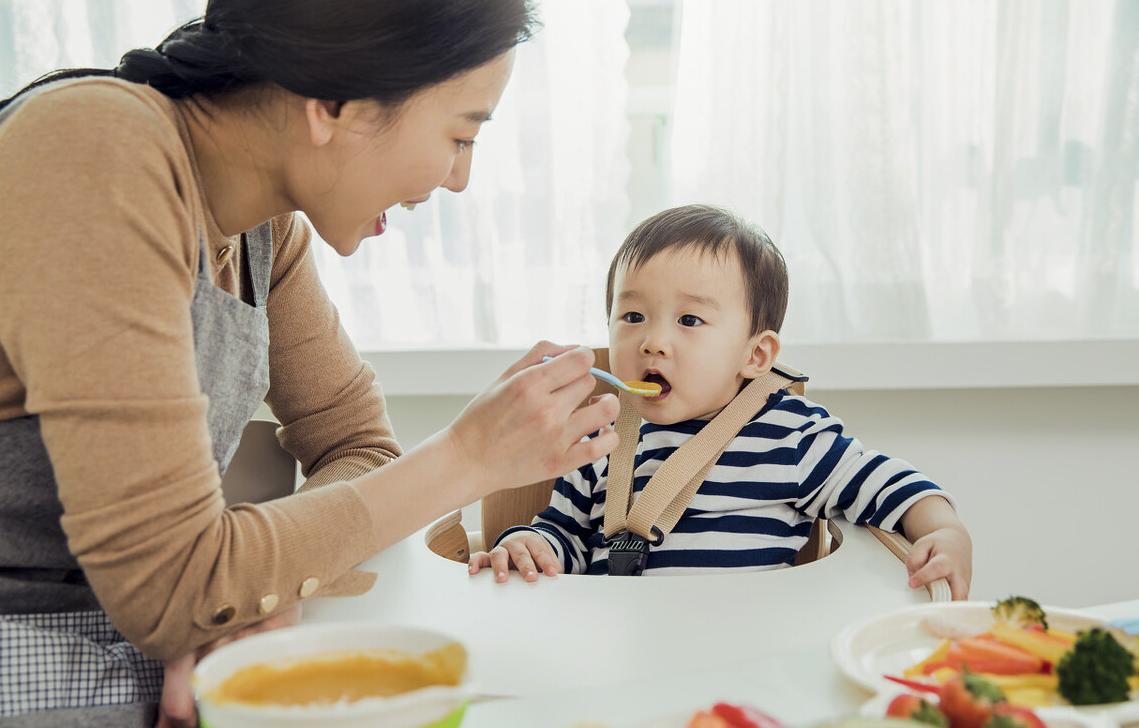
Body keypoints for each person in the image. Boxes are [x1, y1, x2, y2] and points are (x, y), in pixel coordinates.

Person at [0, 1, 621, 726]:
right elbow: (177, 587)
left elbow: (359, 446)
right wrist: (468, 457)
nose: (458, 178)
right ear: (333, 103)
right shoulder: (92, 148)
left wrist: (257, 579)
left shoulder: (262, 232)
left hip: (134, 637)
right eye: (460, 135)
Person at [469, 205, 972, 597]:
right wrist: (531, 546)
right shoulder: (598, 438)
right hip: (617, 656)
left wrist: (946, 532)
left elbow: (891, 486)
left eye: (689, 321)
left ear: (755, 355)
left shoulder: (790, 436)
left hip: (744, 658)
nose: (653, 342)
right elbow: (565, 537)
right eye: (633, 317)